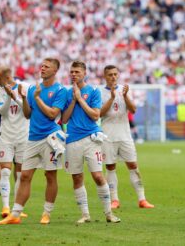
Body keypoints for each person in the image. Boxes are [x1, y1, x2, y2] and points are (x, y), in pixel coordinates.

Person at [0, 58, 68, 225]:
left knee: (50, 175)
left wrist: (37, 98)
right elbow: (28, 114)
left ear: (55, 71)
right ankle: (15, 214)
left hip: (50, 138)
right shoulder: (32, 89)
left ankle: (46, 213)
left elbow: (52, 115)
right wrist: (23, 98)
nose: (42, 68)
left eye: (46, 67)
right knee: (25, 175)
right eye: (41, 65)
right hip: (32, 138)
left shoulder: (60, 90)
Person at [62, 61, 120, 223]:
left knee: (98, 176)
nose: (74, 74)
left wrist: (80, 100)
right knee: (77, 178)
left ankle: (109, 213)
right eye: (72, 72)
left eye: (77, 72)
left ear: (84, 73)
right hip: (72, 138)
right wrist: (73, 100)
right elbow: (64, 119)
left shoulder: (93, 91)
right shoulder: (67, 93)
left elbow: (96, 115)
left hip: (91, 138)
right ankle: (85, 215)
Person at [101, 65, 154, 209]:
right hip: (108, 136)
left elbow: (133, 109)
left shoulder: (123, 90)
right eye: (110, 74)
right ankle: (115, 200)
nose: (113, 77)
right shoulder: (100, 92)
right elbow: (100, 113)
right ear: (105, 76)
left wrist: (124, 96)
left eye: (115, 74)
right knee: (110, 167)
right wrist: (112, 98)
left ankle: (142, 199)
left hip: (125, 135)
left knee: (133, 165)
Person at [0, 66, 30, 218]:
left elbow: (28, 112)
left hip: (23, 136)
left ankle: (16, 208)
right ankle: (6, 207)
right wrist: (8, 96)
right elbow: (3, 112)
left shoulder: (25, 87)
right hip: (6, 136)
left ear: (6, 77)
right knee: (6, 171)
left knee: (20, 174)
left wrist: (16, 96)